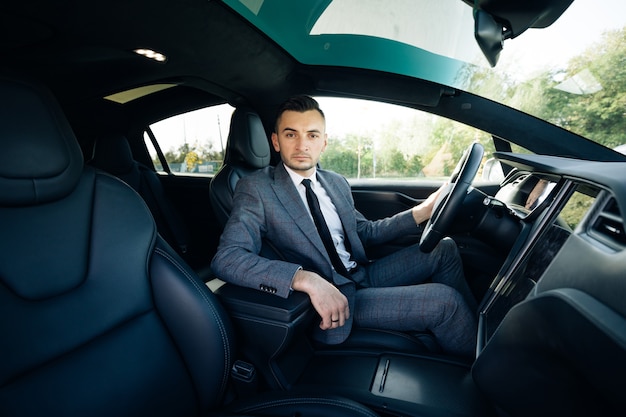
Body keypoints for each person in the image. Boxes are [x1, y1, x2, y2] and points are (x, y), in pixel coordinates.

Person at [211, 95, 478, 357]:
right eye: (291, 134)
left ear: (324, 143)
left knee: (445, 249)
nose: (302, 144)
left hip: (361, 274)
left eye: (312, 135)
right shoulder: (256, 188)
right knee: (445, 302)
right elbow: (228, 258)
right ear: (276, 141)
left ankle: (476, 328)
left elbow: (365, 232)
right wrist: (305, 279)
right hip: (334, 297)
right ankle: (485, 367)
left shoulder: (335, 182)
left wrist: (422, 211)